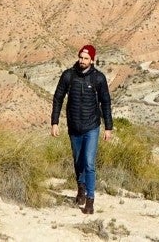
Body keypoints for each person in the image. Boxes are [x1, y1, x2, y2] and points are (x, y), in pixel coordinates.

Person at [50, 43, 113, 214]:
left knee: (89, 163)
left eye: (86, 58)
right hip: (74, 126)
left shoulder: (98, 78)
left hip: (92, 126)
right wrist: (55, 122)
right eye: (81, 57)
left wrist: (108, 127)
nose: (82, 61)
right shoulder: (68, 76)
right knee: (78, 161)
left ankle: (90, 201)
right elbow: (58, 98)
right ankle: (81, 188)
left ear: (92, 60)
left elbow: (106, 102)